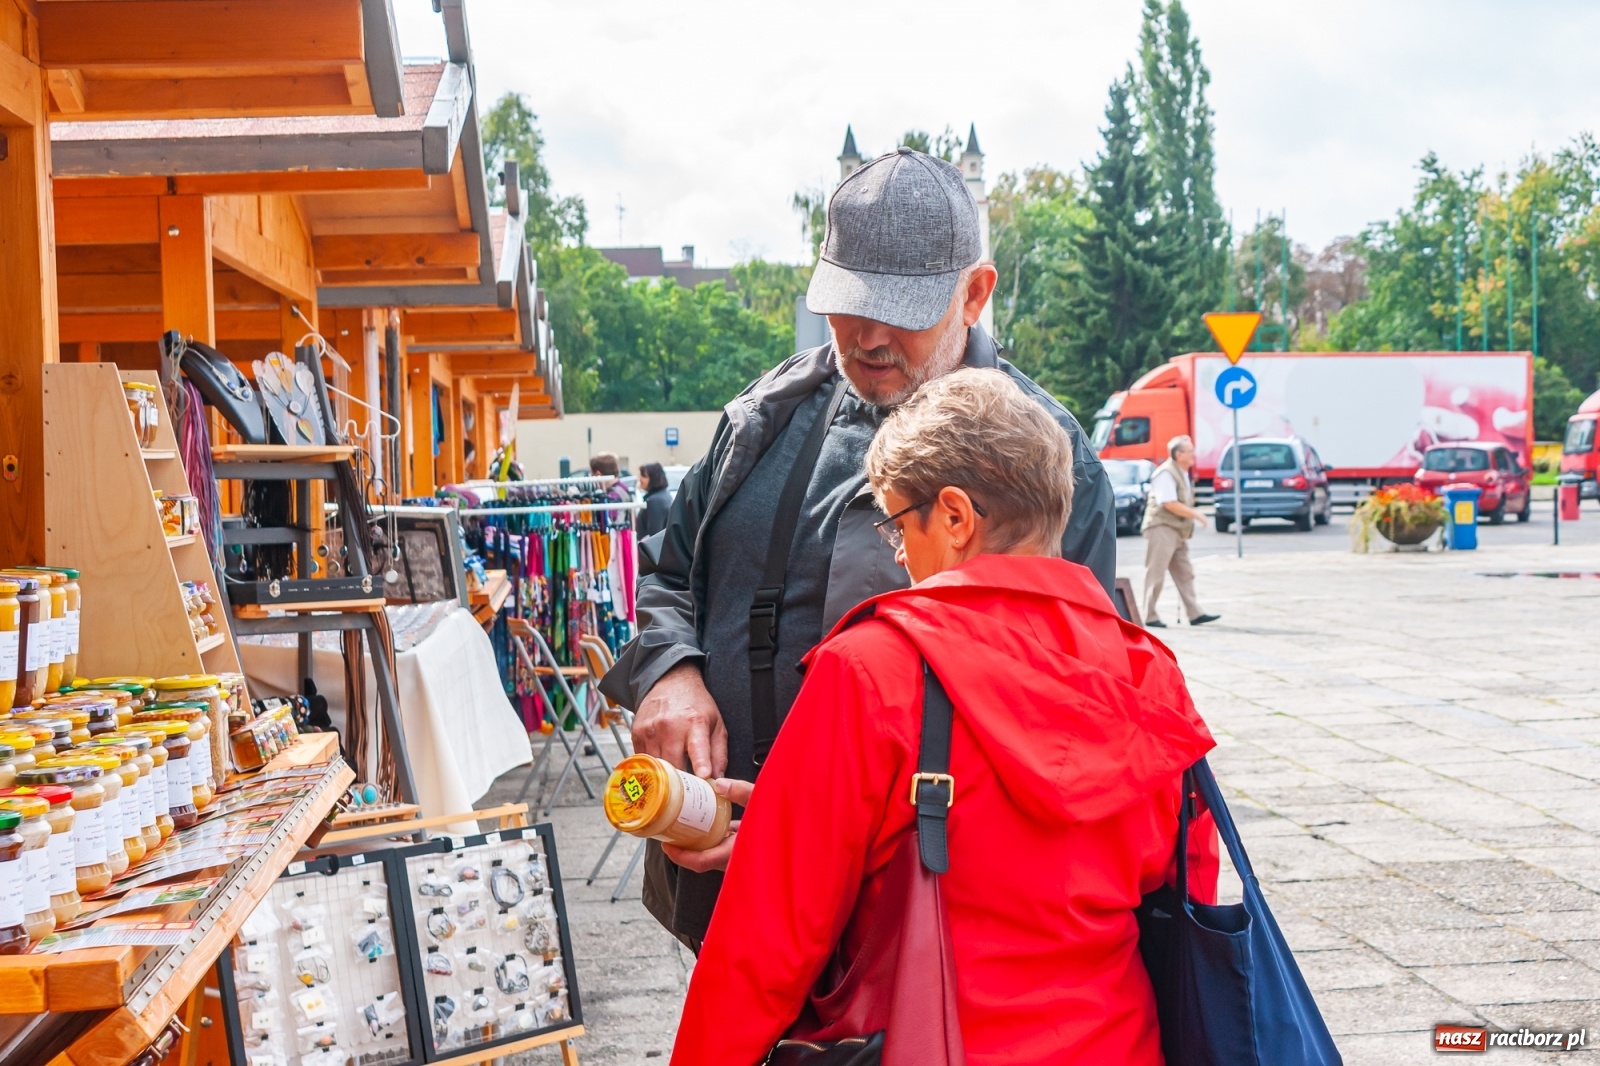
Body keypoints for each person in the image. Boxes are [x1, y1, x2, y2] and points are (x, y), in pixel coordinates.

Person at [600, 147, 1117, 950]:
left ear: (974, 294)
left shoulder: (1045, 459)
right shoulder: (760, 422)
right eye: (848, 303)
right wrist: (669, 671)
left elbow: (1066, 727)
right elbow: (670, 574)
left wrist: (812, 836)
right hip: (730, 897)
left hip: (921, 929)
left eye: (902, 308)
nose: (870, 335)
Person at [670, 369, 1218, 1064]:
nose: (897, 555)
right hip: (1119, 1040)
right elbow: (1181, 888)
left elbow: (766, 942)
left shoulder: (871, 668)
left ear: (955, 517)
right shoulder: (1149, 672)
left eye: (898, 524)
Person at [1141, 434, 1220, 628]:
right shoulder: (1166, 473)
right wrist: (1196, 515)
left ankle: (1194, 613)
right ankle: (1148, 616)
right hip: (1162, 528)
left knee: (1185, 572)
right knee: (1156, 572)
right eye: (1190, 451)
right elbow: (1168, 503)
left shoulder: (1182, 472)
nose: (1194, 455)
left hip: (1176, 530)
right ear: (1179, 454)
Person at [636, 462, 671, 538]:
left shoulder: (655, 501)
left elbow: (654, 534)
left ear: (654, 478)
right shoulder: (663, 495)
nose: (639, 479)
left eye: (643, 476)